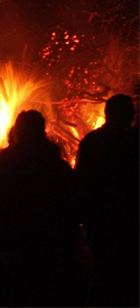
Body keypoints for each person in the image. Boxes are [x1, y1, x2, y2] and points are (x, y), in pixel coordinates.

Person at [0, 110, 79, 306]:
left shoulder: (4, 162)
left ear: (18, 131)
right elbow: (73, 203)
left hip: (14, 248)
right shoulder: (56, 164)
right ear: (42, 131)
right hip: (52, 250)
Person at [76, 93, 138, 306]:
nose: (133, 114)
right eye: (129, 110)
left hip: (101, 220)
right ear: (115, 113)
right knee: (111, 275)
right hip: (112, 220)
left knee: (105, 274)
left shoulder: (92, 141)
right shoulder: (123, 144)